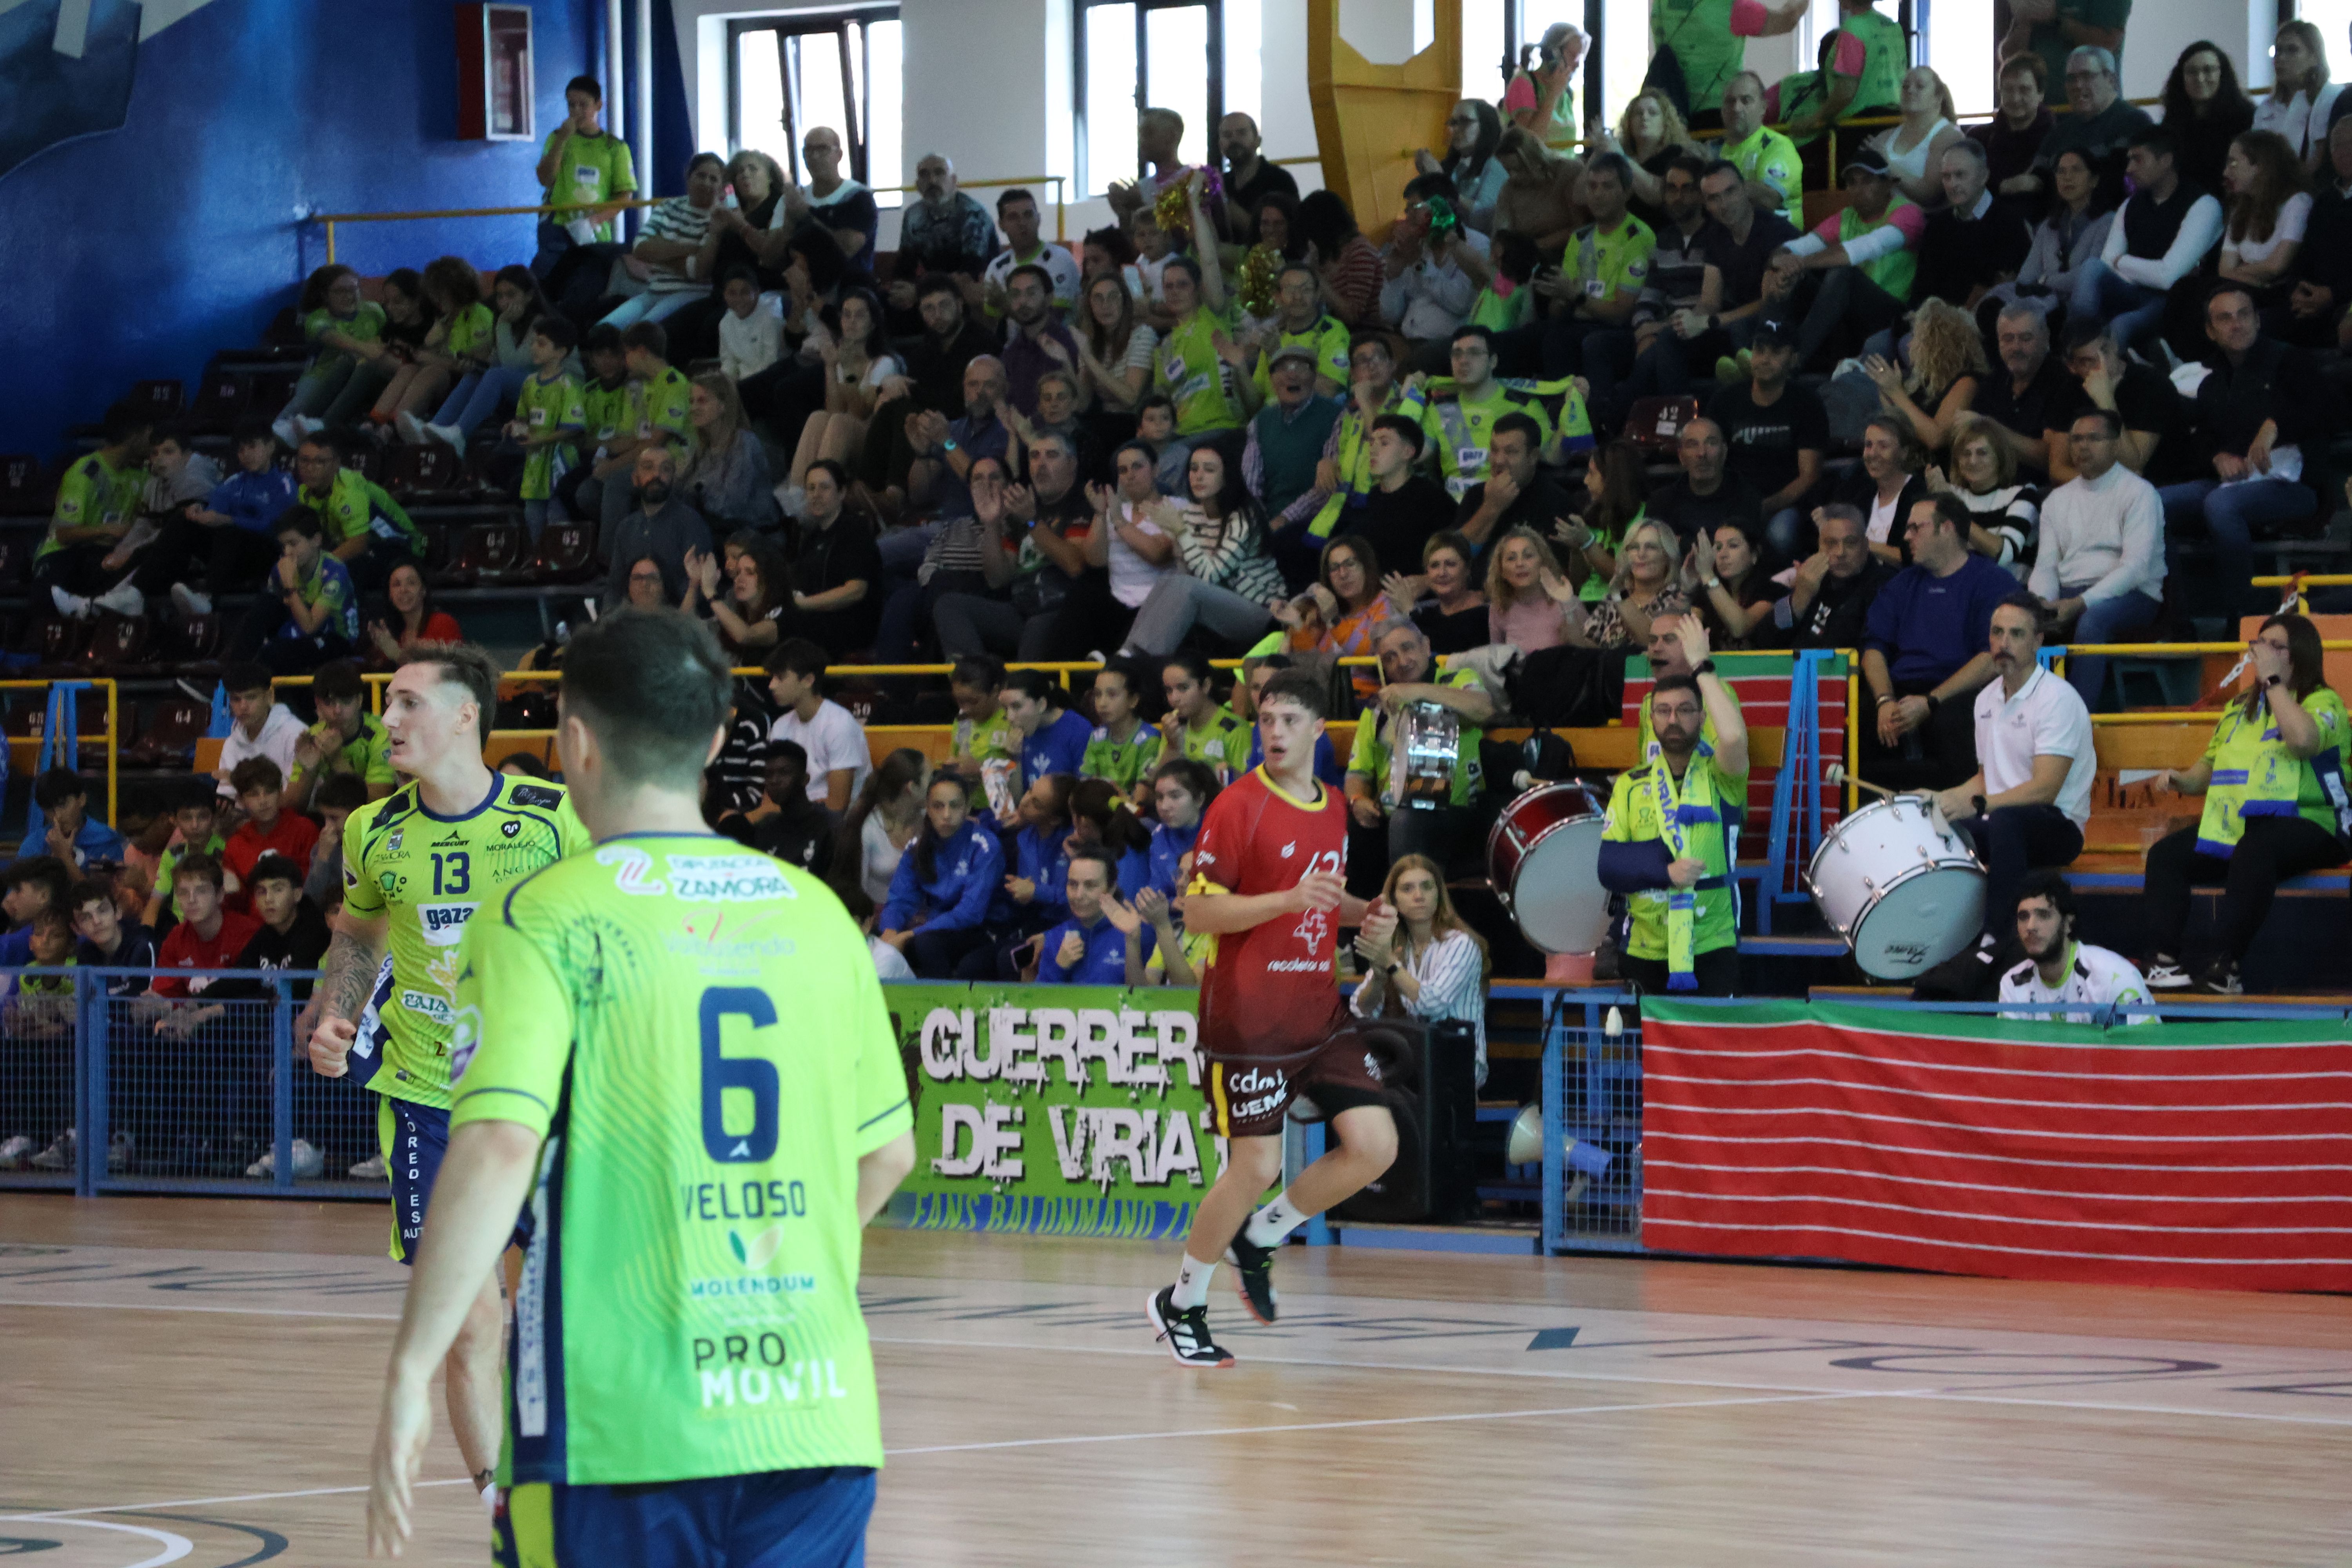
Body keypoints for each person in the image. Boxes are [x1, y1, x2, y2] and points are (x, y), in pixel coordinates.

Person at [358, 608, 907, 1563]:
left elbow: (495, 1145)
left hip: (619, 1425)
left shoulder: (542, 914)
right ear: (710, 740)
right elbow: (888, 1152)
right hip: (817, 1412)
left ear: (572, 741)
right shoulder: (820, 914)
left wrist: (411, 1368)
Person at [300, 646, 589, 1514]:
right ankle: (504, 1510)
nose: (387, 721)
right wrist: (336, 1012)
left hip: (552, 1097)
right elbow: (357, 934)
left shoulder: (552, 816)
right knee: (469, 1322)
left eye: (408, 703)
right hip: (429, 1099)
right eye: (387, 705)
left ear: (468, 714)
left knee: (574, 1306)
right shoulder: (372, 830)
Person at [1147, 668, 1389, 1368]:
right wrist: (1285, 901)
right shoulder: (1237, 805)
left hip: (1318, 1006)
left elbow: (1322, 900)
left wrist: (1369, 914)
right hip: (1248, 1016)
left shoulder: (1336, 806)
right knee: (1252, 1166)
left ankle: (1263, 1236)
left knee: (1375, 1145)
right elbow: (1199, 911)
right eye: (1266, 720)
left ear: (1319, 730)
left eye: (1289, 720)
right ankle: (1181, 1303)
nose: (1275, 732)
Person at [2140, 613, 2352, 995]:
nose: (2263, 653)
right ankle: (2162, 963)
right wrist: (2182, 780)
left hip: (2318, 823)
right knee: (2166, 857)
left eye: (2276, 646)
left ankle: (2225, 965)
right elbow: (2210, 764)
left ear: (2299, 655)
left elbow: (2303, 741)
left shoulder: (2326, 702)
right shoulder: (2240, 708)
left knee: (2255, 848)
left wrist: (2272, 683)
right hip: (2244, 825)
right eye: (2260, 644)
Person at [1927, 594, 2095, 987]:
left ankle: (1996, 937)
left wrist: (1980, 804)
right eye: (1997, 633)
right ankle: (1937, 935)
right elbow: (1987, 777)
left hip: (2059, 826)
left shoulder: (2058, 699)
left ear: (2038, 641)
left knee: (2001, 822)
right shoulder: (1985, 699)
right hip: (2005, 819)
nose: (2003, 643)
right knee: (1938, 823)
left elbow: (2046, 788)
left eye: (2016, 634)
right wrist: (1942, 798)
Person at [1597, 617, 1749, 995]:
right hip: (1645, 944)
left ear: (1702, 717)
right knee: (1647, 1053)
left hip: (1712, 939)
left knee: (1708, 1053)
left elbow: (1731, 736)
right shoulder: (1631, 786)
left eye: (1685, 710)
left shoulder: (1723, 778)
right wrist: (1665, 870)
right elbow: (1610, 866)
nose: (1673, 720)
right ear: (1652, 720)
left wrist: (1702, 666)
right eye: (1663, 711)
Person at [2159, 282, 2331, 615]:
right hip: (2233, 482)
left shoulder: (2290, 361)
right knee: (2155, 502)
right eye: (2225, 319)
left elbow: (2326, 409)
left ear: (2258, 320)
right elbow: (2202, 438)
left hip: (2293, 486)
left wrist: (2275, 425)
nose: (2236, 324)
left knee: (2222, 505)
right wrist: (2216, 457)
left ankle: (2243, 615)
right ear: (2211, 331)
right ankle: (2174, 617)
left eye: (2243, 315)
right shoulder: (2211, 380)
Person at [1861, 495, 2014, 790]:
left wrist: (1931, 702)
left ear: (1947, 528)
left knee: (1958, 719)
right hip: (1900, 691)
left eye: (1915, 528)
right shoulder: (1900, 585)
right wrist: (1884, 700)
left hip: (1959, 691)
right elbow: (1874, 649)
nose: (1906, 537)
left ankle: (1963, 821)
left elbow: (1992, 656)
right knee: (1859, 719)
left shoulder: (1992, 581)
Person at [1624, 160, 1798, 401]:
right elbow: (1709, 301)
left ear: (1745, 190)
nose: (1724, 204)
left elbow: (1770, 301)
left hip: (1778, 321)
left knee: (1740, 329)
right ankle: (1680, 419)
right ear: (1706, 204)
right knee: (1670, 338)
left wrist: (1709, 322)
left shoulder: (1775, 230)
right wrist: (1687, 320)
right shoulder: (1716, 235)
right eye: (1714, 198)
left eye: (1730, 192)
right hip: (1734, 321)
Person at [2032, 408, 2166, 708]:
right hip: (2069, 591)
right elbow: (2046, 566)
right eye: (2077, 439)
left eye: (2094, 439)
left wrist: (2080, 604)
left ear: (2116, 443)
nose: (2082, 446)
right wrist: (2041, 602)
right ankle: (2028, 717)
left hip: (2134, 595)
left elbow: (2136, 568)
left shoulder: (2140, 494)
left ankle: (2079, 720)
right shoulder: (2057, 500)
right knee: (2019, 616)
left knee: (2092, 622)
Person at [1346, 618, 1495, 874]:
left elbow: (1483, 709)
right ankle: (1364, 909)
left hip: (1454, 813)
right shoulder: (1377, 708)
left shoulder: (1457, 680)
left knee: (1408, 820)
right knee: (1349, 823)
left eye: (1407, 648)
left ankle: (1401, 910)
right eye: (1390, 657)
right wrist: (1358, 800)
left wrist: (1418, 691)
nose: (1402, 662)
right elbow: (1358, 773)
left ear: (1426, 646)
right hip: (1390, 811)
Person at [1763, 145, 1923, 374]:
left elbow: (1863, 249)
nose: (1858, 189)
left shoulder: (1908, 213)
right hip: (1853, 311)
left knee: (1843, 273)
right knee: (1790, 277)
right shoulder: (1847, 217)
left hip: (1893, 315)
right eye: (1852, 182)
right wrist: (1781, 264)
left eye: (1867, 181)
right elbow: (1793, 248)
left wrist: (1798, 263)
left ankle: (1794, 358)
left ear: (1889, 184)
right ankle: (1766, 348)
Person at [1121, 440, 1289, 657]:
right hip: (1216, 604)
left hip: (1260, 611)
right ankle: (1127, 653)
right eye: (1194, 469)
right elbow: (1188, 574)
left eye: (1209, 470)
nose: (1199, 476)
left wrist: (1180, 532)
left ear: (1227, 475)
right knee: (1168, 580)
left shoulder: (1245, 516)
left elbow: (1211, 577)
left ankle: (1141, 660)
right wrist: (1176, 538)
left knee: (1183, 585)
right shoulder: (1191, 513)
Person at [2071, 127, 2224, 354]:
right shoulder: (2131, 205)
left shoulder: (2203, 205)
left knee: (2122, 326)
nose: (2129, 169)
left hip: (2176, 301)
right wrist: (2128, 265)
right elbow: (2106, 263)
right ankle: (2080, 345)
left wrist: (2122, 261)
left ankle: (2106, 372)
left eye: (2138, 160)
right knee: (2091, 268)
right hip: (2133, 292)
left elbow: (2168, 278)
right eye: (2129, 160)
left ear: (2165, 161)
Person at [1348, 852, 1492, 1085]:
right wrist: (1379, 978)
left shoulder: (1461, 944)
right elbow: (1363, 1009)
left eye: (1427, 887)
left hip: (1458, 1063)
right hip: (1413, 1060)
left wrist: (1391, 965)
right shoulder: (1395, 947)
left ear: (1439, 894)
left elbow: (1431, 1004)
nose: (1419, 896)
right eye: (1407, 889)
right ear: (1394, 901)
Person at [141, 418, 294, 614]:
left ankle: (208, 597)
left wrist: (227, 520)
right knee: (183, 520)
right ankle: (139, 591)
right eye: (241, 450)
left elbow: (273, 527)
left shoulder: (284, 483)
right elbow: (215, 509)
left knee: (229, 531)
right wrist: (198, 512)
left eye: (252, 447)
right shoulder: (234, 482)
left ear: (271, 446)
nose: (246, 455)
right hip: (231, 553)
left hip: (265, 555)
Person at [1530, 152, 1655, 381]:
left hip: (1619, 331)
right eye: (1592, 187)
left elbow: (1621, 314)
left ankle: (1585, 411)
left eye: (1607, 187)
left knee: (1572, 342)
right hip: (1578, 321)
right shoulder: (1580, 238)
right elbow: (1558, 309)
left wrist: (1575, 296)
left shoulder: (1638, 238)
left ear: (1627, 193)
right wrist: (1556, 297)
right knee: (1525, 339)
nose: (1597, 195)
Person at [1706, 323, 1822, 556]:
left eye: (1777, 352)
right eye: (1760, 350)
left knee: (1780, 536)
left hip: (1786, 504)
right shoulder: (1726, 399)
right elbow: (1709, 457)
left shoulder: (1807, 403)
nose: (1765, 359)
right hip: (1732, 501)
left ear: (1794, 359)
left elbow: (1809, 475)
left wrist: (1766, 506)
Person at [878, 775, 1011, 978]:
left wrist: (909, 935)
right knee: (883, 944)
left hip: (984, 931)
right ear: (928, 809)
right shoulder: (918, 847)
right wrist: (890, 931)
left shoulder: (985, 846)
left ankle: (943, 1007)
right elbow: (900, 901)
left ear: (967, 808)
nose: (947, 815)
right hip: (937, 930)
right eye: (938, 807)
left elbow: (970, 913)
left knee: (925, 944)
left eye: (955, 806)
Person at [37, 404, 151, 617]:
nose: (152, 443)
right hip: (64, 553)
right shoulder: (86, 473)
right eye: (149, 436)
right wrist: (108, 530)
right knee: (49, 592)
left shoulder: (142, 475)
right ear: (136, 437)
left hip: (104, 555)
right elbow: (64, 534)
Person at [2000, 870, 2156, 1022]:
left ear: (2069, 923)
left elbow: (2144, 1046)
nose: (2031, 926)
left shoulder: (2114, 978)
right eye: (2023, 917)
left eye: (2044, 915)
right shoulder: (2012, 984)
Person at [1984, 148, 2113, 330]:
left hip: (2079, 312)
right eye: (2061, 171)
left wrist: (2045, 280)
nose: (2067, 177)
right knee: (1992, 307)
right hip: (2043, 305)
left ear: (2094, 180)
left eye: (2076, 170)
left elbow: (2087, 278)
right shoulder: (2049, 226)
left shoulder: (2107, 222)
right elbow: (2027, 277)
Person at [289, 428, 425, 593]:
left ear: (336, 464)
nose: (310, 468)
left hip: (399, 547)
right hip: (361, 546)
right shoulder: (304, 492)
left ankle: (350, 618)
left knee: (350, 570)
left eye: (319, 462)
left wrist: (317, 566)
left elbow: (358, 544)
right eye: (304, 461)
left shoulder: (350, 492)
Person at [1380, 174, 1494, 366]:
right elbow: (1391, 314)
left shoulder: (1476, 245)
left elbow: (1460, 304)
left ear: (1439, 207)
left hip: (1451, 347)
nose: (1407, 215)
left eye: (1414, 207)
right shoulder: (1420, 245)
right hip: (1408, 339)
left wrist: (1420, 264)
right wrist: (1394, 273)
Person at [2025, 47, 2153, 209]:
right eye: (2071, 78)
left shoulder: (2135, 124)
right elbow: (2036, 178)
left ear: (2111, 79)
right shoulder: (2059, 133)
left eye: (2087, 76)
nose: (2078, 85)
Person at [1915, 141, 2034, 314]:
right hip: (1938, 322)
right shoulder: (1937, 226)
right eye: (1946, 176)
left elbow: (2006, 289)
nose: (1952, 184)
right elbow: (1923, 288)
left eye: (1960, 175)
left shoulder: (2010, 223)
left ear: (1984, 177)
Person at [1967, 303, 2082, 482]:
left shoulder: (2065, 384)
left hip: (2038, 493)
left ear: (2046, 338)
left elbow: (2051, 460)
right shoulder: (1994, 381)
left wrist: (1992, 429)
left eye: (2026, 338)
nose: (2016, 348)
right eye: (2008, 339)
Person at [2061, 318, 2184, 479]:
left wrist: (2106, 401)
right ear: (2072, 367)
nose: (2103, 364)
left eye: (2105, 351)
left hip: (2165, 485)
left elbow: (2133, 464)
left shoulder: (2152, 384)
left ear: (2115, 344)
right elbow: (2058, 467)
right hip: (2102, 489)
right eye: (2089, 361)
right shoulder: (2070, 390)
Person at [1452, 409, 1577, 564]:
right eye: (1495, 450)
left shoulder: (1556, 502)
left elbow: (1554, 568)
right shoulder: (1476, 495)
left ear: (1533, 457)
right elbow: (1454, 556)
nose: (1498, 461)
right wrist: (1490, 507)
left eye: (1510, 452)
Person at [1242, 341, 1345, 526]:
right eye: (1283, 369)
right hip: (1268, 521)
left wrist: (1285, 519)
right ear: (1272, 379)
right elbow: (1251, 485)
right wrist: (1260, 523)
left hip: (1317, 521)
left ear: (1314, 377)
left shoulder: (1335, 416)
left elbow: (1326, 488)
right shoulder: (1260, 422)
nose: (1292, 374)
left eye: (1302, 367)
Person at [534, 73, 637, 256]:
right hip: (557, 226)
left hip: (594, 230)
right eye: (571, 105)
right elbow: (546, 179)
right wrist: (562, 140)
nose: (576, 111)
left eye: (584, 105)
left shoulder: (615, 147)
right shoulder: (557, 137)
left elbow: (625, 196)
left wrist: (594, 221)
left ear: (598, 105)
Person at [249, 506, 359, 675]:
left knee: (278, 653)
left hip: (335, 638)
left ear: (316, 540)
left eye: (293, 544)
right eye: (284, 545)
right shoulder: (282, 568)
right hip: (296, 630)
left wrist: (291, 588)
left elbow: (310, 627)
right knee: (265, 605)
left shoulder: (336, 571)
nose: (287, 552)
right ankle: (231, 672)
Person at [601, 445, 713, 610]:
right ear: (635, 479)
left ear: (673, 479)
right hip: (634, 621)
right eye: (648, 468)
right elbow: (615, 588)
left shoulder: (690, 522)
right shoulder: (626, 528)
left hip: (678, 621)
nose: (657, 475)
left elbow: (700, 588)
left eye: (666, 469)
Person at [764, 638, 869, 813]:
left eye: (780, 678)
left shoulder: (839, 724)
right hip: (795, 816)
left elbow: (837, 806)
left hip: (835, 824)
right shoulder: (780, 727)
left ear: (808, 680)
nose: (772, 685)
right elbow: (772, 794)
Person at [1929, 414, 2043, 574]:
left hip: (2008, 592)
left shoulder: (2023, 494)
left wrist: (1952, 508)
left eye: (1982, 453)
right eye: (1966, 454)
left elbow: (2004, 555)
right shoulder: (1951, 495)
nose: (1973, 461)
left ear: (2000, 457)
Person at [2217, 131, 2314, 318]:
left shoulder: (2297, 203)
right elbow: (2224, 269)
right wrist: (2251, 278)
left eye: (2234, 163)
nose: (2226, 172)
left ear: (2260, 167)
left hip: (2279, 298)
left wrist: (2238, 273)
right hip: (2247, 290)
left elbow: (2275, 267)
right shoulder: (2241, 205)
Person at [792, 461, 883, 655]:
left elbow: (856, 590)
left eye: (825, 488)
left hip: (849, 626)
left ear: (842, 493)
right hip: (816, 622)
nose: (816, 495)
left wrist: (803, 605)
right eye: (811, 488)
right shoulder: (810, 539)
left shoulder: (855, 530)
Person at [1779, 504, 1897, 649]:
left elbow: (1852, 648)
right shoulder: (1811, 578)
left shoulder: (1885, 587)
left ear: (1866, 546)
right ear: (1819, 547)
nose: (1841, 552)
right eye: (1831, 543)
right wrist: (1800, 597)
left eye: (1851, 543)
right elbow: (1765, 638)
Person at [1029, 848, 1154, 984]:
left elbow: (1142, 998)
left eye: (1090, 885)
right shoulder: (1056, 937)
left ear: (1111, 888)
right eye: (1073, 884)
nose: (1079, 895)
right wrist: (1059, 967)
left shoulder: (1139, 932)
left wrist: (1132, 941)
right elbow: (1040, 1000)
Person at [678, 373, 777, 537]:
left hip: (751, 534)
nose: (693, 408)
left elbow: (732, 505)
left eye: (702, 401)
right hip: (714, 530)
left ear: (723, 405)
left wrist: (698, 492)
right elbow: (683, 495)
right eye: (691, 401)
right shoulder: (701, 447)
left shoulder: (745, 444)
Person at [1648, 417, 1764, 550]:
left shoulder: (1746, 497)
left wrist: (1681, 541)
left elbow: (1740, 551)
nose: (1702, 453)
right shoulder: (1661, 502)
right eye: (1692, 445)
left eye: (1711, 443)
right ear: (1681, 456)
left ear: (1724, 452)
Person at [2161, 41, 2257, 198]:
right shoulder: (2172, 122)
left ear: (2222, 74)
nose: (2200, 78)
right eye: (2192, 72)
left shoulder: (2246, 119)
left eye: (2209, 70)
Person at [1583, 515, 1691, 652]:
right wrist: (1569, 606)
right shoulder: (1614, 598)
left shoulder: (1678, 598)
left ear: (1668, 556)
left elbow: (1653, 643)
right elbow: (1587, 645)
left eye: (1651, 547)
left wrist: (1620, 596)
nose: (1641, 554)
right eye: (1634, 548)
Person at [1830, 417, 1927, 565]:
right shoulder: (1859, 491)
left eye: (1883, 446)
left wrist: (1863, 544)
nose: (1872, 454)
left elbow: (1915, 558)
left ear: (1904, 452)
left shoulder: (1919, 496)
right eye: (1868, 445)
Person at [221, 757, 319, 902]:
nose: (263, 801)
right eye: (254, 794)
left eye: (269, 792)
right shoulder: (236, 844)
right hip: (253, 924)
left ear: (280, 793)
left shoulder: (304, 830)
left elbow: (313, 887)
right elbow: (237, 905)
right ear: (241, 800)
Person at [839, 748, 929, 907]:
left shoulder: (930, 817)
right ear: (912, 788)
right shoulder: (869, 827)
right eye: (931, 778)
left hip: (922, 915)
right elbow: (855, 894)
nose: (935, 785)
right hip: (877, 918)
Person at [2253, 19, 2343, 172]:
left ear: (2314, 56)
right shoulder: (2266, 109)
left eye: (2292, 50)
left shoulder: (2332, 98)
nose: (2281, 58)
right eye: (2278, 51)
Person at [1972, 53, 2058, 208]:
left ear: (2041, 94)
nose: (2016, 98)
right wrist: (2002, 186)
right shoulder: (1979, 138)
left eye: (2024, 90)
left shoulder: (2058, 140)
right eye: (2008, 90)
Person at [1485, 526, 1586, 652]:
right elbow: (1496, 660)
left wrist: (1568, 607)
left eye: (1528, 556)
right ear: (1501, 571)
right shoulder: (1498, 608)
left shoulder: (1568, 602)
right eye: (1511, 558)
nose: (1520, 564)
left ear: (1543, 563)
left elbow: (1588, 654)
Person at [1715, 72, 1801, 215]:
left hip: (1778, 235)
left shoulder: (1778, 146)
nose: (1736, 108)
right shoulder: (1715, 150)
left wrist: (1719, 188)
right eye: (1730, 101)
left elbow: (1769, 199)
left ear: (1763, 108)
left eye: (1746, 101)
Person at [1416, 99, 1508, 234]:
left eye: (1465, 121)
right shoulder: (1453, 165)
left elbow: (1482, 220)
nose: (1455, 129)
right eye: (1453, 123)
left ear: (1485, 126)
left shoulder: (1496, 167)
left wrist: (1441, 181)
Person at [1158, 651, 1252, 782]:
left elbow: (1246, 787)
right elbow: (1158, 784)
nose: (1174, 699)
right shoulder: (1174, 728)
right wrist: (1172, 746)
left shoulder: (1235, 730)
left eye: (1183, 688)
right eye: (1169, 690)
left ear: (1206, 685)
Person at [1502, 21, 1589, 151]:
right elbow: (1530, 142)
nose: (1576, 65)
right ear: (1553, 54)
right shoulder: (1524, 83)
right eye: (1573, 56)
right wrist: (1552, 95)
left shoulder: (1566, 92)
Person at [1217, 111, 1300, 242]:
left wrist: (1227, 205)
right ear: (1221, 146)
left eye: (1242, 133)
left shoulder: (1280, 180)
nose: (1234, 140)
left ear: (1258, 141)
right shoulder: (1222, 183)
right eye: (1227, 136)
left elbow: (1286, 235)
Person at [366, 561, 463, 671]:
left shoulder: (444, 623)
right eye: (397, 585)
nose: (403, 590)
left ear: (423, 591)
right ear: (390, 595)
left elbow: (448, 674)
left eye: (411, 583)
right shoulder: (391, 633)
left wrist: (399, 656)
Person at [30, 768, 126, 871]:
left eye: (63, 805)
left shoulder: (108, 841)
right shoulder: (34, 845)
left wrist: (65, 857)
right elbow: (20, 887)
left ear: (82, 800)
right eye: (49, 809)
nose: (58, 816)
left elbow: (109, 887)